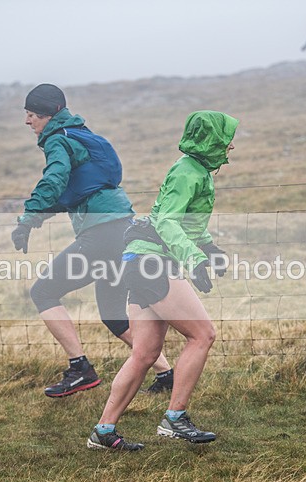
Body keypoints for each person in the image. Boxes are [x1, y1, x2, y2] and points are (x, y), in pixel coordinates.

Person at [87, 110, 238, 451]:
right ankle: (175, 419)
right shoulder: (189, 172)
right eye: (226, 139)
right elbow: (168, 222)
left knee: (144, 353)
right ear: (211, 140)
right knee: (203, 335)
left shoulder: (195, 170)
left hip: (140, 260)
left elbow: (182, 223)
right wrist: (195, 259)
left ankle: (104, 431)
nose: (231, 146)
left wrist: (208, 247)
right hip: (152, 262)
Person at [12, 83, 174, 398]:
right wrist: (37, 218)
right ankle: (166, 373)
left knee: (43, 291)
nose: (27, 121)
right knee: (114, 315)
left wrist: (28, 217)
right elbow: (78, 192)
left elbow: (54, 180)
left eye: (32, 114)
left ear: (50, 113)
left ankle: (80, 368)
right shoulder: (81, 134)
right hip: (121, 228)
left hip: (102, 234)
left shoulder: (59, 140)